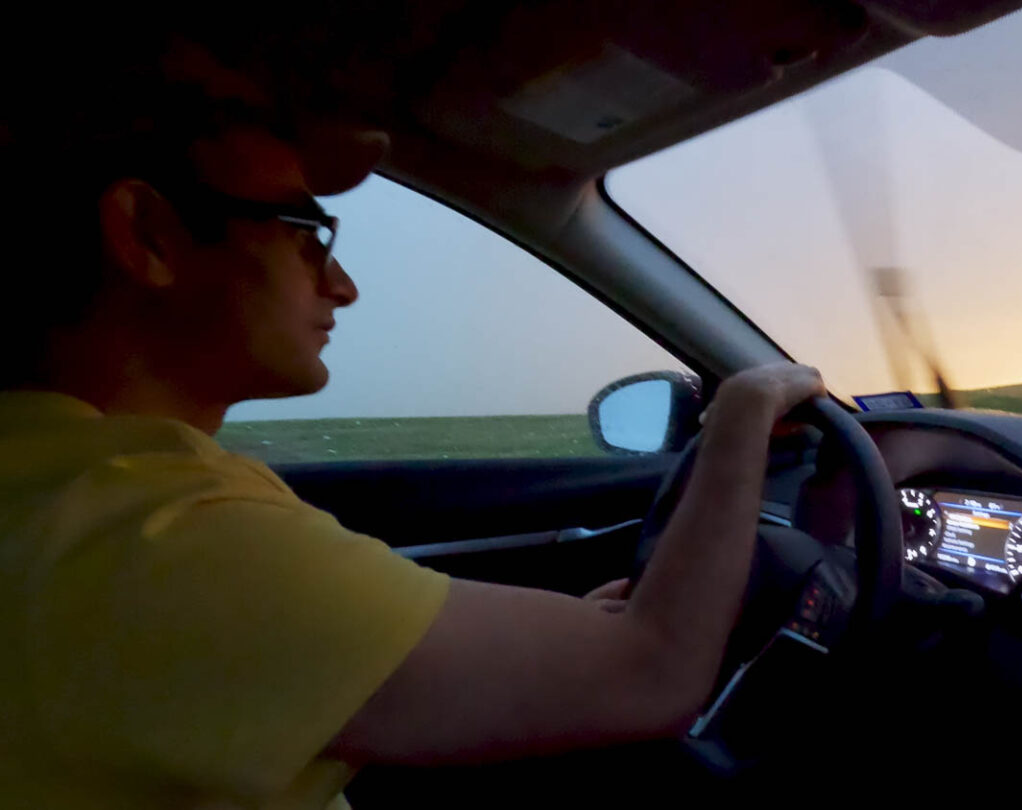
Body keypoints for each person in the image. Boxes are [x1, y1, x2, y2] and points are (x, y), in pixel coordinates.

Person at [0, 22, 825, 810]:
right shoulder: (150, 536)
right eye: (305, 235)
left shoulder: (77, 501)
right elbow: (651, 678)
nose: (342, 285)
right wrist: (743, 415)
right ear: (148, 233)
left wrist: (566, 634)